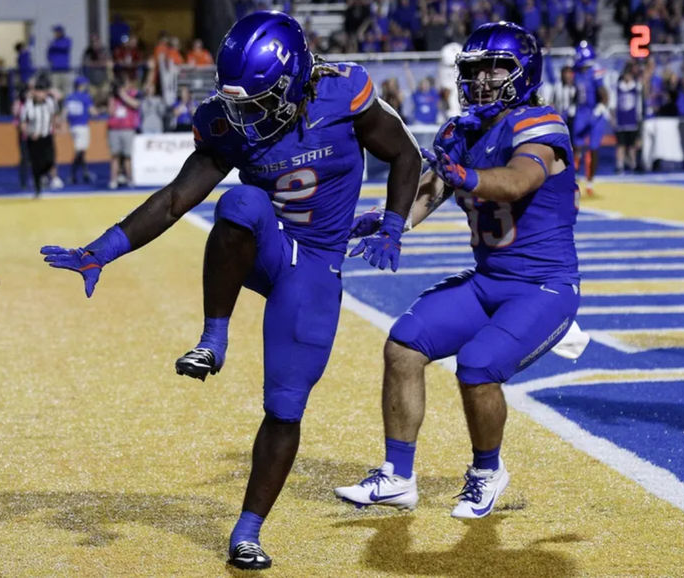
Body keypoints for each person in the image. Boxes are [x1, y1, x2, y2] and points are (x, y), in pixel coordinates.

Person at [40, 11, 420, 570]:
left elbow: (405, 154)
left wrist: (392, 225)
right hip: (266, 246)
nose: (242, 116)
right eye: (236, 102)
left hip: (314, 265)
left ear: (292, 83)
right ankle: (214, 335)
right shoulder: (227, 122)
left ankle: (247, 530)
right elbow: (175, 199)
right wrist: (103, 249)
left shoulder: (343, 91)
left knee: (285, 406)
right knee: (240, 202)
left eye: (257, 102)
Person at [335, 21, 581, 521]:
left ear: (523, 72)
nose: (484, 80)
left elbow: (516, 181)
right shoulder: (459, 130)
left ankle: (487, 473)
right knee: (404, 344)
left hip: (543, 287)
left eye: (495, 68)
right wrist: (393, 224)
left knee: (478, 365)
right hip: (489, 280)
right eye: (475, 70)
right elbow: (432, 189)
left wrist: (464, 174)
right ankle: (397, 477)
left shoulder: (541, 124)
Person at [572, 41, 609, 196]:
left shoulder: (595, 71)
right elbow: (577, 93)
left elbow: (603, 92)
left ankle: (589, 182)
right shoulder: (578, 73)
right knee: (576, 144)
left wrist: (602, 107)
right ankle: (572, 176)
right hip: (581, 111)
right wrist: (573, 104)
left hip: (594, 112)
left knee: (593, 148)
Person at [20, 75, 62, 197]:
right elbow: (23, 122)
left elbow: (54, 115)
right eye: (38, 91)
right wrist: (29, 133)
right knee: (35, 163)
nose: (40, 94)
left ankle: (43, 175)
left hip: (46, 135)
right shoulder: (28, 105)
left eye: (42, 92)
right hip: (34, 138)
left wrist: (55, 125)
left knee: (50, 160)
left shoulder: (50, 102)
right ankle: (37, 188)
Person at [106, 75, 140, 189]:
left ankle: (129, 179)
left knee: (127, 156)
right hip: (114, 129)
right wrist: (113, 97)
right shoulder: (113, 98)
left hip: (127, 129)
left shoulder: (132, 94)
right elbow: (110, 112)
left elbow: (136, 104)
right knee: (115, 156)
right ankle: (113, 179)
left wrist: (123, 95)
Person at [65, 75, 98, 184]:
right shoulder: (85, 97)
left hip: (73, 126)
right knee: (80, 151)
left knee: (81, 151)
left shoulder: (69, 97)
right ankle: (72, 174)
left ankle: (84, 172)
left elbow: (64, 112)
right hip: (82, 126)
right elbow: (93, 111)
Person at [614, 62, 641, 174]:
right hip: (621, 121)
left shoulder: (636, 87)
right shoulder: (618, 87)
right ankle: (619, 164)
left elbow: (639, 104)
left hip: (632, 120)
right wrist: (613, 119)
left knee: (632, 145)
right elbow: (613, 104)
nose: (628, 77)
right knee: (621, 145)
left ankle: (633, 163)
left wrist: (639, 118)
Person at [47, 25, 72, 96]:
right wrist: (52, 60)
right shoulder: (53, 42)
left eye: (57, 32)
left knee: (67, 91)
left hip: (65, 70)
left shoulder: (67, 40)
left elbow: (65, 47)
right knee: (55, 91)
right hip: (55, 70)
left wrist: (54, 45)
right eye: (55, 32)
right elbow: (49, 55)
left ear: (61, 32)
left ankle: (65, 106)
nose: (55, 33)